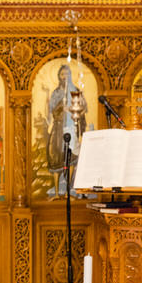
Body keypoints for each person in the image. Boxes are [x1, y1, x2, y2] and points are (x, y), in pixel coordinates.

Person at [45, 63, 86, 196]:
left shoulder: (76, 91)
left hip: (71, 127)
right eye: (62, 74)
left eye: (67, 74)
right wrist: (61, 107)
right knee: (55, 155)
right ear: (59, 76)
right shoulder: (56, 92)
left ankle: (68, 191)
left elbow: (83, 109)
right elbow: (51, 110)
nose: (65, 77)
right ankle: (57, 193)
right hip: (58, 128)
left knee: (71, 156)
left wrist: (74, 111)